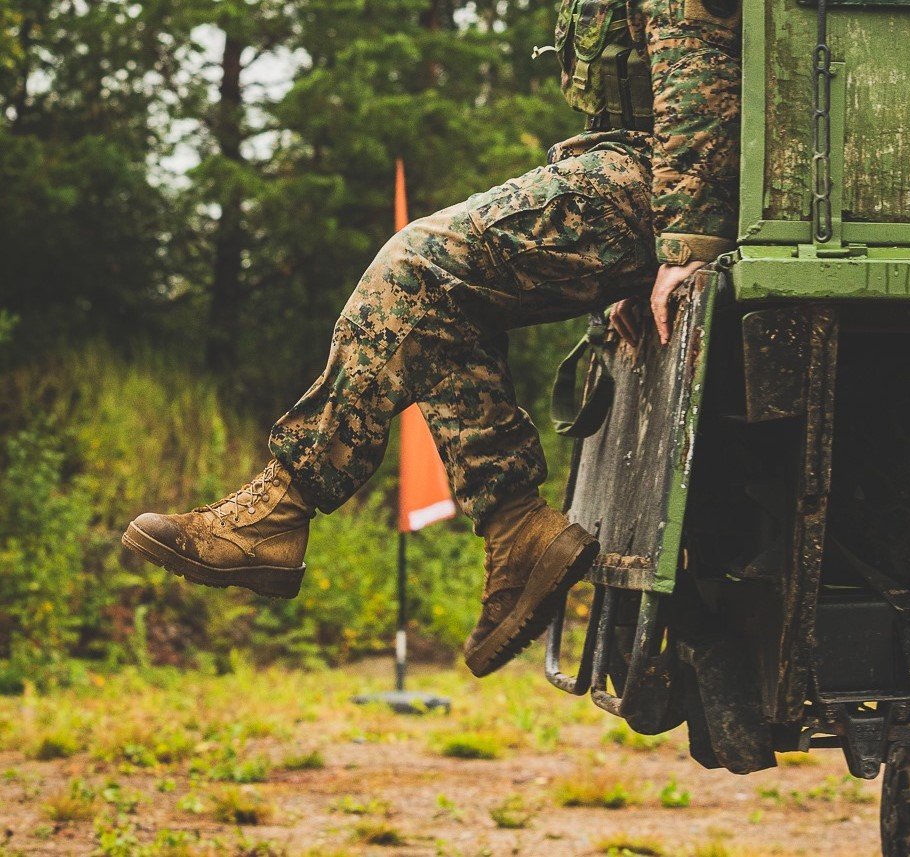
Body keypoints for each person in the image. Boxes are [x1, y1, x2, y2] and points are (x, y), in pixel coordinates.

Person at [121, 0, 741, 678]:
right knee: (444, 305)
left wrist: (685, 243)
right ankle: (516, 528)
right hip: (644, 174)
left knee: (419, 264)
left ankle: (281, 506)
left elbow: (698, 70)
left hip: (670, 177)